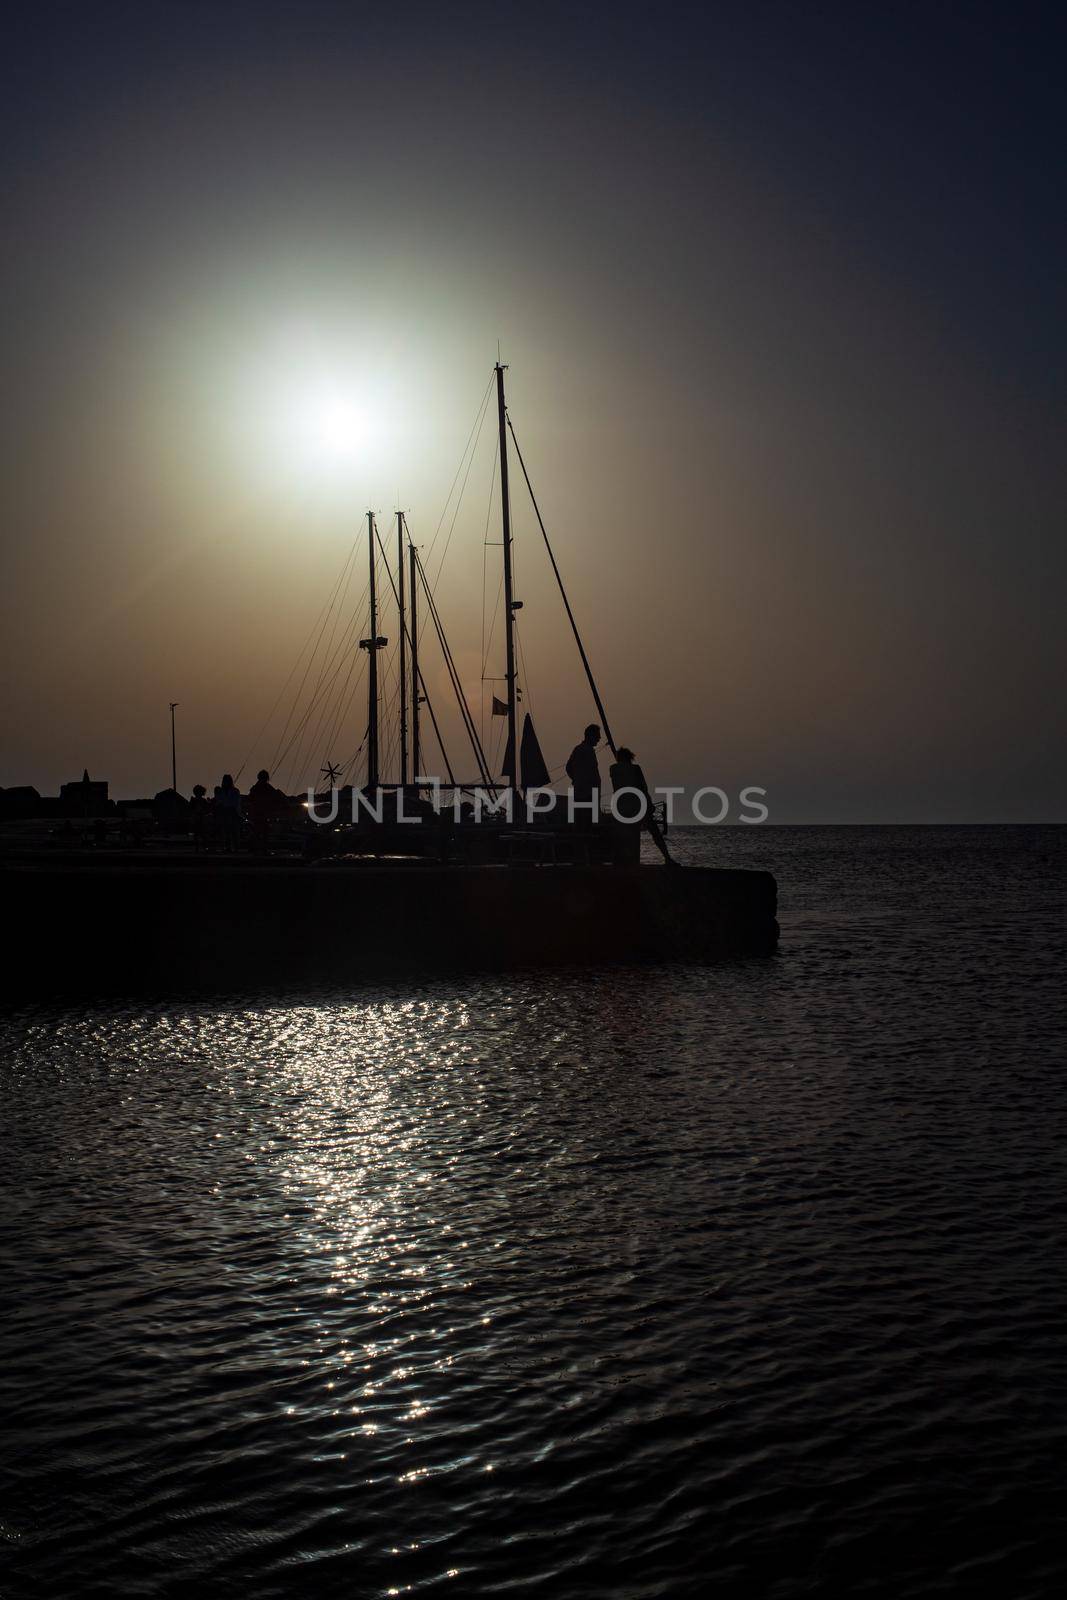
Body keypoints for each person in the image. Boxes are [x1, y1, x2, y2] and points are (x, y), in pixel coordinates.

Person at [609, 747, 651, 864]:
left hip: (619, 806)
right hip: (634, 806)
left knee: (620, 836)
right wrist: (649, 803)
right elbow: (643, 787)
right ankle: (634, 861)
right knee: (633, 836)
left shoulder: (613, 768)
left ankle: (619, 862)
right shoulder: (636, 769)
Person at [565, 723, 602, 808]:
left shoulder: (578, 749)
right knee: (587, 819)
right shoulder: (586, 751)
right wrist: (580, 780)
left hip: (581, 793)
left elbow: (568, 768)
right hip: (588, 795)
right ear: (591, 736)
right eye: (597, 735)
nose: (599, 738)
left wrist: (577, 780)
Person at [214, 773, 242, 852]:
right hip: (224, 812)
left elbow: (236, 803)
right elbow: (218, 801)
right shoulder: (221, 791)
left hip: (232, 812)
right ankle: (227, 847)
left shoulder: (235, 791)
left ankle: (235, 847)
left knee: (234, 831)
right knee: (226, 831)